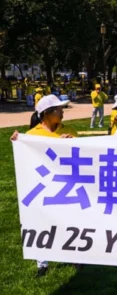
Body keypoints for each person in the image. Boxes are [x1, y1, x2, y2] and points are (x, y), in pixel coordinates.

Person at [10, 94, 79, 278]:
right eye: (59, 109)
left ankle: (74, 255)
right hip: (43, 186)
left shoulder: (70, 130)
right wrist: (18, 142)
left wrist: (70, 144)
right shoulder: (32, 136)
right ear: (47, 113)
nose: (62, 112)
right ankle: (42, 263)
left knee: (69, 220)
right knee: (40, 221)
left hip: (65, 185)